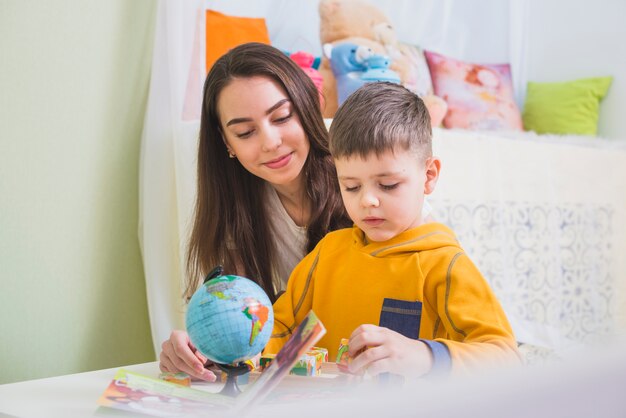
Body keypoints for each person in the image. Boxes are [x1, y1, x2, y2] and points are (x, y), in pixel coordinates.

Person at [265, 82, 521, 377]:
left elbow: (504, 357)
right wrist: (222, 350)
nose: (367, 200)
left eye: (388, 185)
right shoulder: (328, 253)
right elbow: (280, 332)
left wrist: (423, 355)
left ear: (428, 176)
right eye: (351, 186)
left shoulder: (444, 265)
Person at [159, 42, 351, 381]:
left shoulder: (360, 175)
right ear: (227, 143)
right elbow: (239, 323)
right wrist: (203, 346)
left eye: (281, 117)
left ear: (306, 108)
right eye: (245, 132)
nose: (270, 141)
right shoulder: (238, 211)